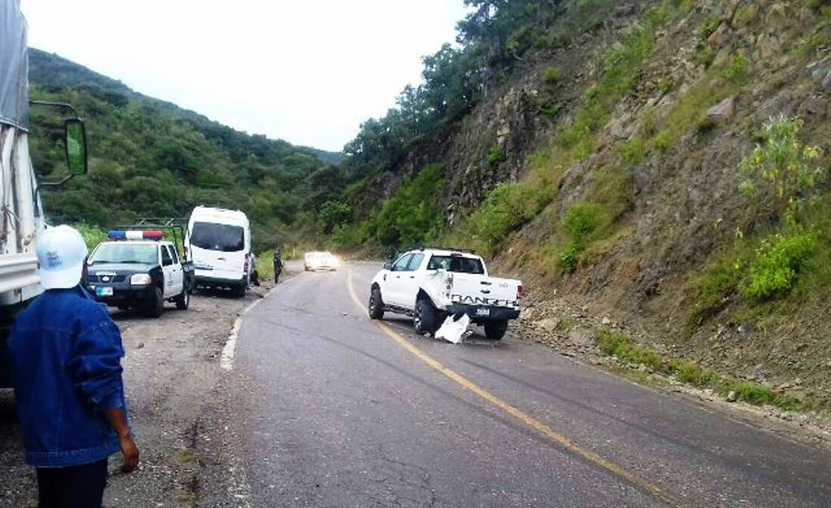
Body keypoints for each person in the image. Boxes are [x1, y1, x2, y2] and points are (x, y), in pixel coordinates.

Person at [7, 225, 139, 508]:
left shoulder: (25, 318)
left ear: (42, 266)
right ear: (82, 264)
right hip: (81, 445)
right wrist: (124, 435)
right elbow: (103, 386)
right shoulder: (90, 316)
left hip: (41, 445)